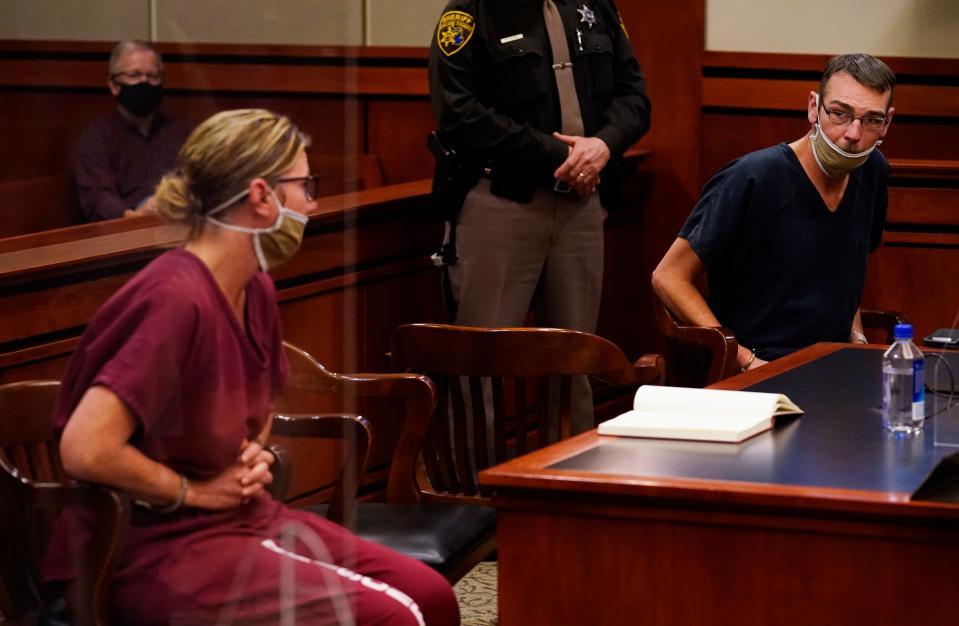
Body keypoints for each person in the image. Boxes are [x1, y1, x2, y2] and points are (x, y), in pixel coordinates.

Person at [43, 109, 459, 626]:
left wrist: (252, 455)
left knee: (431, 595)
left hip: (238, 517)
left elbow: (259, 400)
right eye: (305, 185)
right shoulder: (174, 298)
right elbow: (85, 448)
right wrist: (193, 491)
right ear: (262, 196)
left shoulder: (254, 284)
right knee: (393, 618)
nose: (313, 202)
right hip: (148, 547)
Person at [428, 0, 651, 433]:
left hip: (581, 207)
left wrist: (603, 145)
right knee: (481, 368)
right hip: (502, 204)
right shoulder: (471, 11)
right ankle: (474, 495)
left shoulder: (593, 5)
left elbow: (634, 97)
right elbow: (458, 111)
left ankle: (565, 490)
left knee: (574, 367)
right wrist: (560, 155)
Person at [652, 53, 896, 372]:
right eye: (839, 113)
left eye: (871, 120)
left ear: (886, 123)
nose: (852, 133)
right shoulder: (754, 176)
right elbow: (668, 277)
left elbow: (846, 271)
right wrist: (742, 358)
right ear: (813, 107)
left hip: (834, 365)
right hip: (759, 364)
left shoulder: (873, 172)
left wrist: (857, 339)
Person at [75, 40, 192, 221]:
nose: (144, 82)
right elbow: (97, 196)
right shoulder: (98, 137)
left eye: (153, 76)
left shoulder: (183, 132)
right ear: (114, 85)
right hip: (124, 233)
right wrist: (135, 217)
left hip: (180, 225)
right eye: (134, 75)